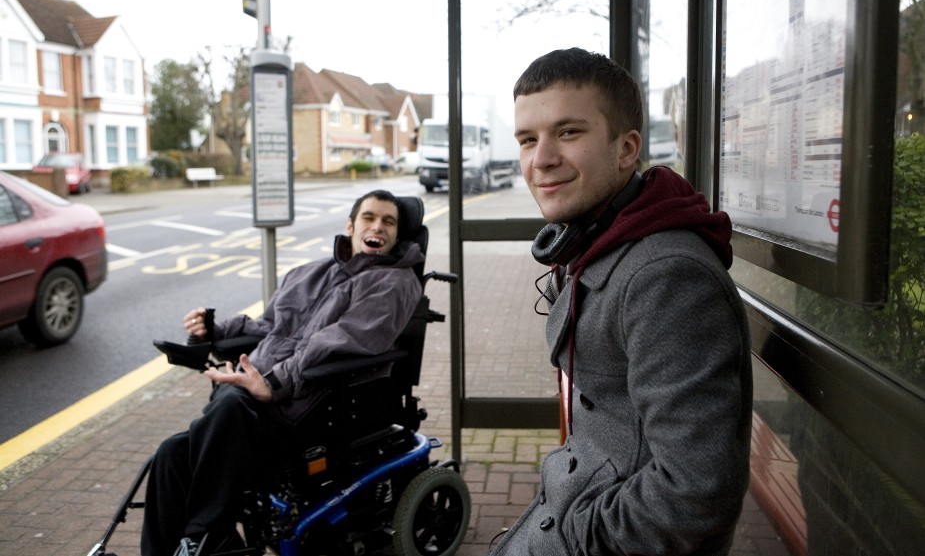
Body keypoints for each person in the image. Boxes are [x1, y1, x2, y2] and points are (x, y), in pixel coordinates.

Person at [491, 48, 752, 555]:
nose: (540, 159)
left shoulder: (665, 278)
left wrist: (574, 535)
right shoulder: (601, 238)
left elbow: (694, 492)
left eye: (568, 132)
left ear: (627, 148)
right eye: (527, 139)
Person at [141, 189, 425, 556]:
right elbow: (269, 326)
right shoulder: (310, 273)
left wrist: (272, 385)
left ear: (397, 235)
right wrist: (215, 330)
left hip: (313, 405)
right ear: (351, 225)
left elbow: (341, 341)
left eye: (389, 222)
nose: (378, 227)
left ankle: (209, 534)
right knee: (170, 455)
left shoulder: (394, 283)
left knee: (228, 403)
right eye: (370, 218)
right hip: (257, 396)